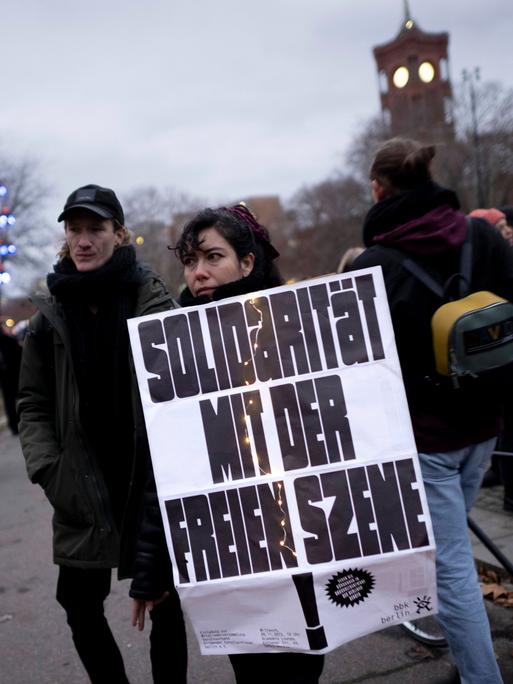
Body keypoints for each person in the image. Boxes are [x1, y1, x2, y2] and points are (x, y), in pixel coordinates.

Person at [130, 204, 325, 684]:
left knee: (306, 660)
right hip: (229, 545)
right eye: (190, 262)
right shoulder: (175, 348)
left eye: (213, 257)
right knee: (253, 670)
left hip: (304, 536)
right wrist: (152, 567)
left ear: (248, 262)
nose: (199, 273)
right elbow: (165, 466)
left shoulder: (298, 330)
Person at [351, 138, 512, 684]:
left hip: (428, 440)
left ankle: (481, 677)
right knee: (451, 552)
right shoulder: (483, 234)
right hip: (488, 425)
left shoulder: (374, 264)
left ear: (378, 188)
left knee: (452, 570)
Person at [17, 184, 185, 684]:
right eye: (75, 230)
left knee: (166, 603)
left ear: (119, 232)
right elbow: (33, 402)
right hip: (82, 483)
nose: (84, 240)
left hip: (147, 481)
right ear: (65, 237)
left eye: (96, 229)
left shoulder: (151, 299)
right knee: (77, 602)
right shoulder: (49, 315)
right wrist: (48, 467)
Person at [0, 326, 22, 435]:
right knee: (9, 403)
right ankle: (14, 425)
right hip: (4, 379)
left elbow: (19, 357)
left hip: (14, 376)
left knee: (20, 399)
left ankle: (23, 422)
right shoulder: (9, 342)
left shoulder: (10, 342)